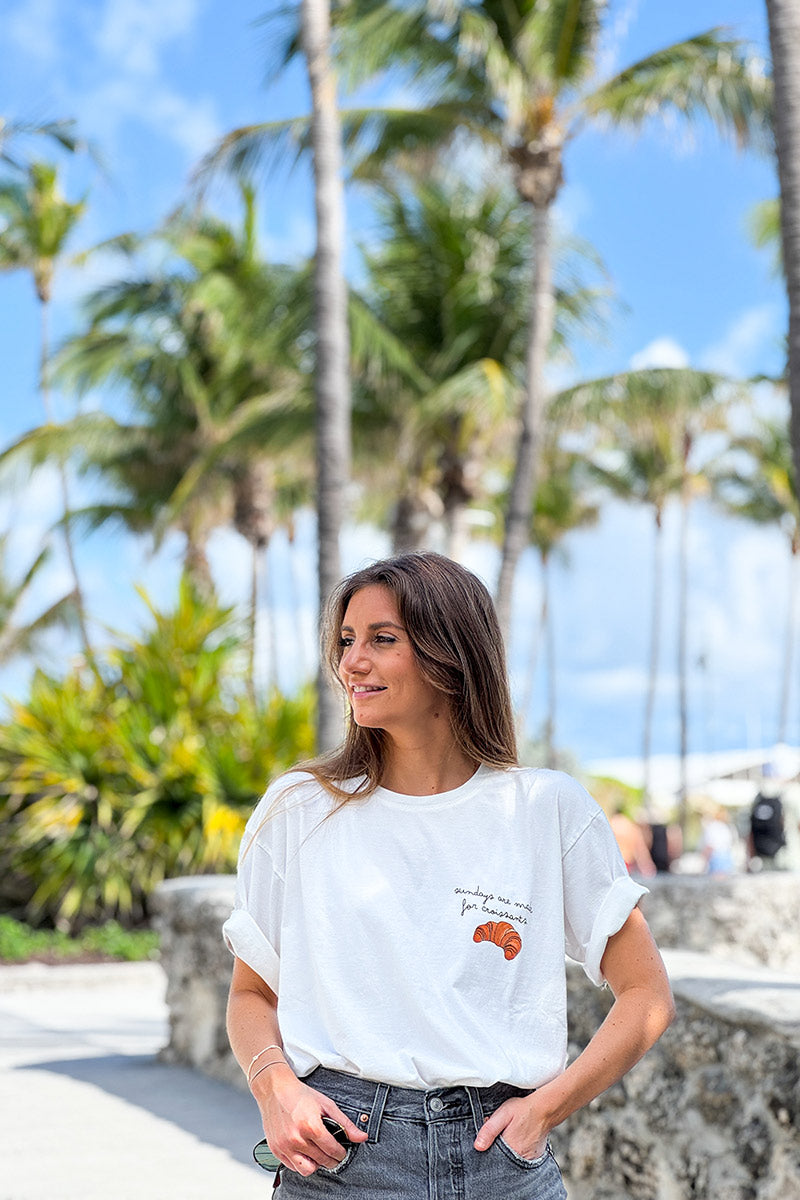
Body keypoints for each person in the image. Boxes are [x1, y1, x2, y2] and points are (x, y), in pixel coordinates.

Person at [223, 552, 675, 1199]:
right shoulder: (301, 810)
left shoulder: (547, 808)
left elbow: (647, 994)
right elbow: (251, 995)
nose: (352, 662)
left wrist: (547, 1109)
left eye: (383, 640)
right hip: (345, 1159)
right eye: (347, 641)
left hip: (503, 1161)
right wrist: (276, 1089)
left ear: (451, 653)